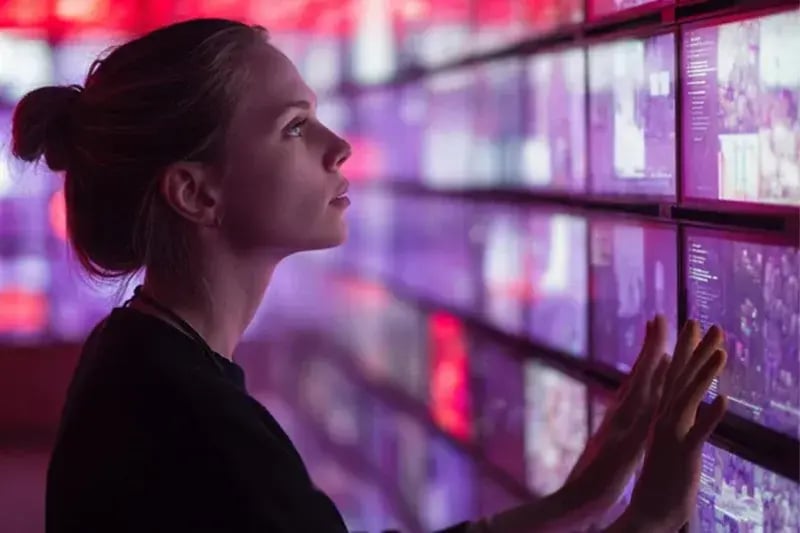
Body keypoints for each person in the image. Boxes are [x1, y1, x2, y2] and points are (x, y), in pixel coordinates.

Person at [11, 18, 728, 533]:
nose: (340, 146)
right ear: (196, 192)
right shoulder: (194, 422)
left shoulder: (144, 360)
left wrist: (578, 498)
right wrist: (653, 517)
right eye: (294, 127)